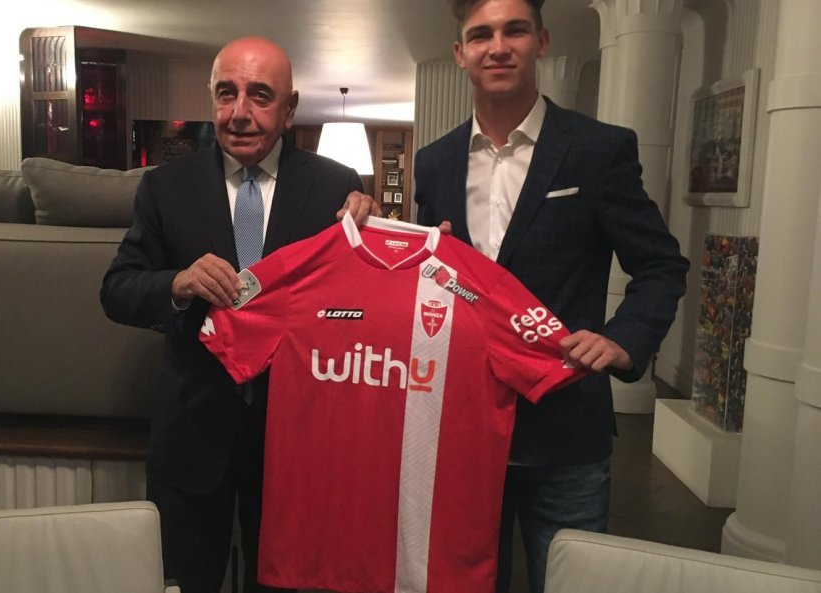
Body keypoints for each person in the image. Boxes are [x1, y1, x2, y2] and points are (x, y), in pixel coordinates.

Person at [413, 1, 689, 592]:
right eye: (480, 35)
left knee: (568, 584)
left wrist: (624, 339)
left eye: (514, 30)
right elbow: (429, 277)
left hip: (565, 427)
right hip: (460, 427)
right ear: (460, 54)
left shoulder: (598, 149)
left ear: (540, 40)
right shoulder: (433, 163)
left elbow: (662, 265)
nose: (498, 47)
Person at [100, 36, 377, 593]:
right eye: (226, 93)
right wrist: (176, 284)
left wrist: (374, 237)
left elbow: (362, 305)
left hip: (296, 443)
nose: (240, 112)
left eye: (260, 96)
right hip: (192, 438)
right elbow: (117, 289)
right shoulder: (164, 186)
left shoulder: (337, 186)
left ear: (290, 108)